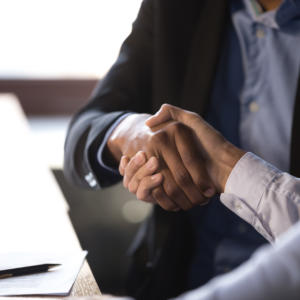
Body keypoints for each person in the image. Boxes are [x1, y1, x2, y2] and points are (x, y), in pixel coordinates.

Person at [64, 0, 300, 299]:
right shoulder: (175, 7)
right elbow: (82, 133)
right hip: (170, 281)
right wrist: (130, 133)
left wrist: (226, 166)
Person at [73, 104, 300, 299]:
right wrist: (129, 132)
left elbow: (290, 268)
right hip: (169, 278)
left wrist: (221, 165)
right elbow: (83, 127)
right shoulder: (176, 50)